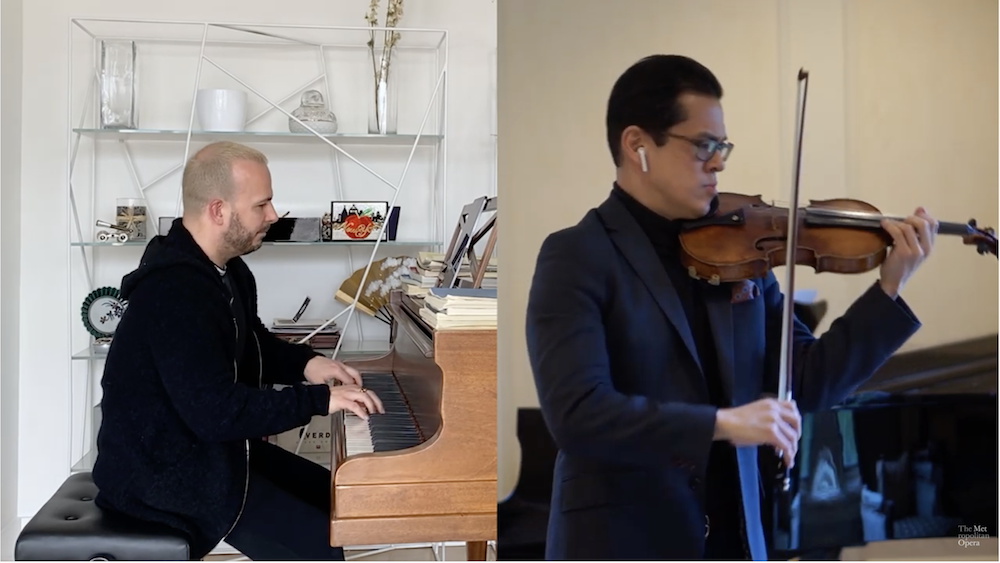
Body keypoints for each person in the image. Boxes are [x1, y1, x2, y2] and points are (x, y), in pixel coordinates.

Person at [524, 54, 938, 560]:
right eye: (703, 146)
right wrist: (723, 423)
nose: (719, 162)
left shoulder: (743, 250)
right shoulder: (577, 255)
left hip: (737, 540)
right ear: (638, 146)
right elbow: (578, 413)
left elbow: (804, 381)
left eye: (722, 146)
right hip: (624, 540)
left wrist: (889, 290)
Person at [92, 141, 386, 560]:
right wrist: (321, 400)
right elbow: (216, 413)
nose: (274, 215)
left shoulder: (228, 272)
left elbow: (251, 344)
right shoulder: (173, 292)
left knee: (328, 495)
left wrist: (310, 364)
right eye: (262, 205)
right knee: (317, 544)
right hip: (160, 471)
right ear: (218, 211)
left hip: (202, 448)